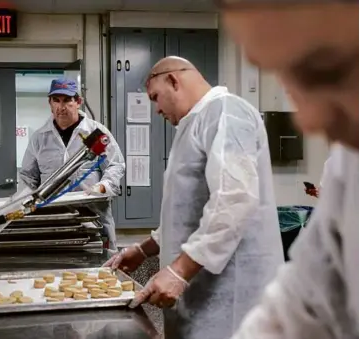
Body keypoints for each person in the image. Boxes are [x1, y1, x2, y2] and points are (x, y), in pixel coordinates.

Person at [104, 56, 284, 338]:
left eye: (155, 97)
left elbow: (234, 201)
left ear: (174, 80)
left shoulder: (226, 113)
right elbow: (187, 214)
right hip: (200, 295)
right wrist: (143, 250)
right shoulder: (193, 125)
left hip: (231, 296)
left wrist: (178, 272)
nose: (156, 109)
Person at [218, 1, 359, 338]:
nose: (307, 121)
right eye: (282, 73)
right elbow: (303, 301)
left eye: (327, 69)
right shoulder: (349, 162)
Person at [18, 78, 125, 251]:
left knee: (100, 267)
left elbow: (116, 165)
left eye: (67, 100)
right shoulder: (39, 138)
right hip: (54, 217)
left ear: (78, 102)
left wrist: (103, 186)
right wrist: (25, 202)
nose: (61, 107)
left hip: (93, 216)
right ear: (50, 103)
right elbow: (27, 177)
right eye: (56, 100)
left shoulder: (97, 133)